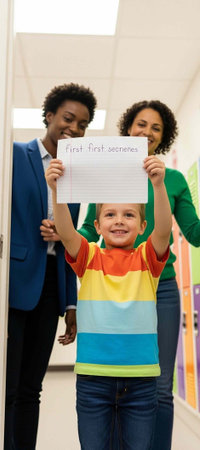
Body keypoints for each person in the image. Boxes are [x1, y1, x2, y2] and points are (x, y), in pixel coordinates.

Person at [78, 100, 200, 450]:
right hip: (112, 287)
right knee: (116, 384)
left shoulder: (174, 179)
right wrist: (66, 237)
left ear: (163, 138)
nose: (146, 132)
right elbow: (91, 234)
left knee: (160, 386)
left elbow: (193, 234)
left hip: (160, 287)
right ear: (128, 128)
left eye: (155, 128)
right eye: (140, 124)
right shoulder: (110, 174)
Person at [45, 153, 172, 450]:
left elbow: (164, 230)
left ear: (142, 226)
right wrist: (56, 190)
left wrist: (158, 185)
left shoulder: (147, 259)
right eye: (110, 215)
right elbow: (66, 232)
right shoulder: (88, 257)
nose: (119, 221)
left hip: (141, 381)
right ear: (98, 225)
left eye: (129, 215)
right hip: (93, 379)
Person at [4, 83, 97, 450]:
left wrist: (71, 304)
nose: (73, 129)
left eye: (82, 124)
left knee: (31, 388)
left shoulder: (75, 175)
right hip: (13, 285)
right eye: (68, 119)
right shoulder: (12, 155)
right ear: (50, 117)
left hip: (50, 286)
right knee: (7, 385)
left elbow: (70, 242)